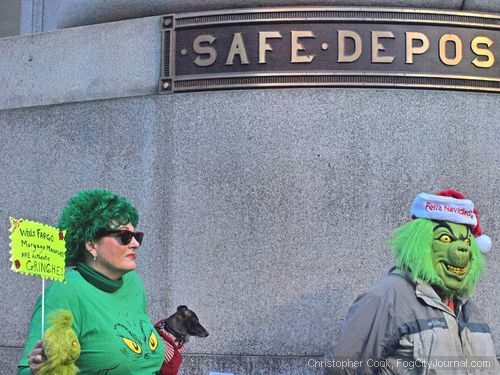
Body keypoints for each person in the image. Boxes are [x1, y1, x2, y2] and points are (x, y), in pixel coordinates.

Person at [324, 189, 499, 374]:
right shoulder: (386, 299)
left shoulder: (467, 308)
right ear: (419, 244)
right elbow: (341, 369)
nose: (462, 249)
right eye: (445, 238)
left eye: (466, 241)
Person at [17, 189, 165, 374]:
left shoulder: (132, 283)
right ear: (91, 244)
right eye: (124, 236)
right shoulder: (64, 293)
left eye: (137, 236)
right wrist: (38, 369)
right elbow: (25, 370)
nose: (135, 243)